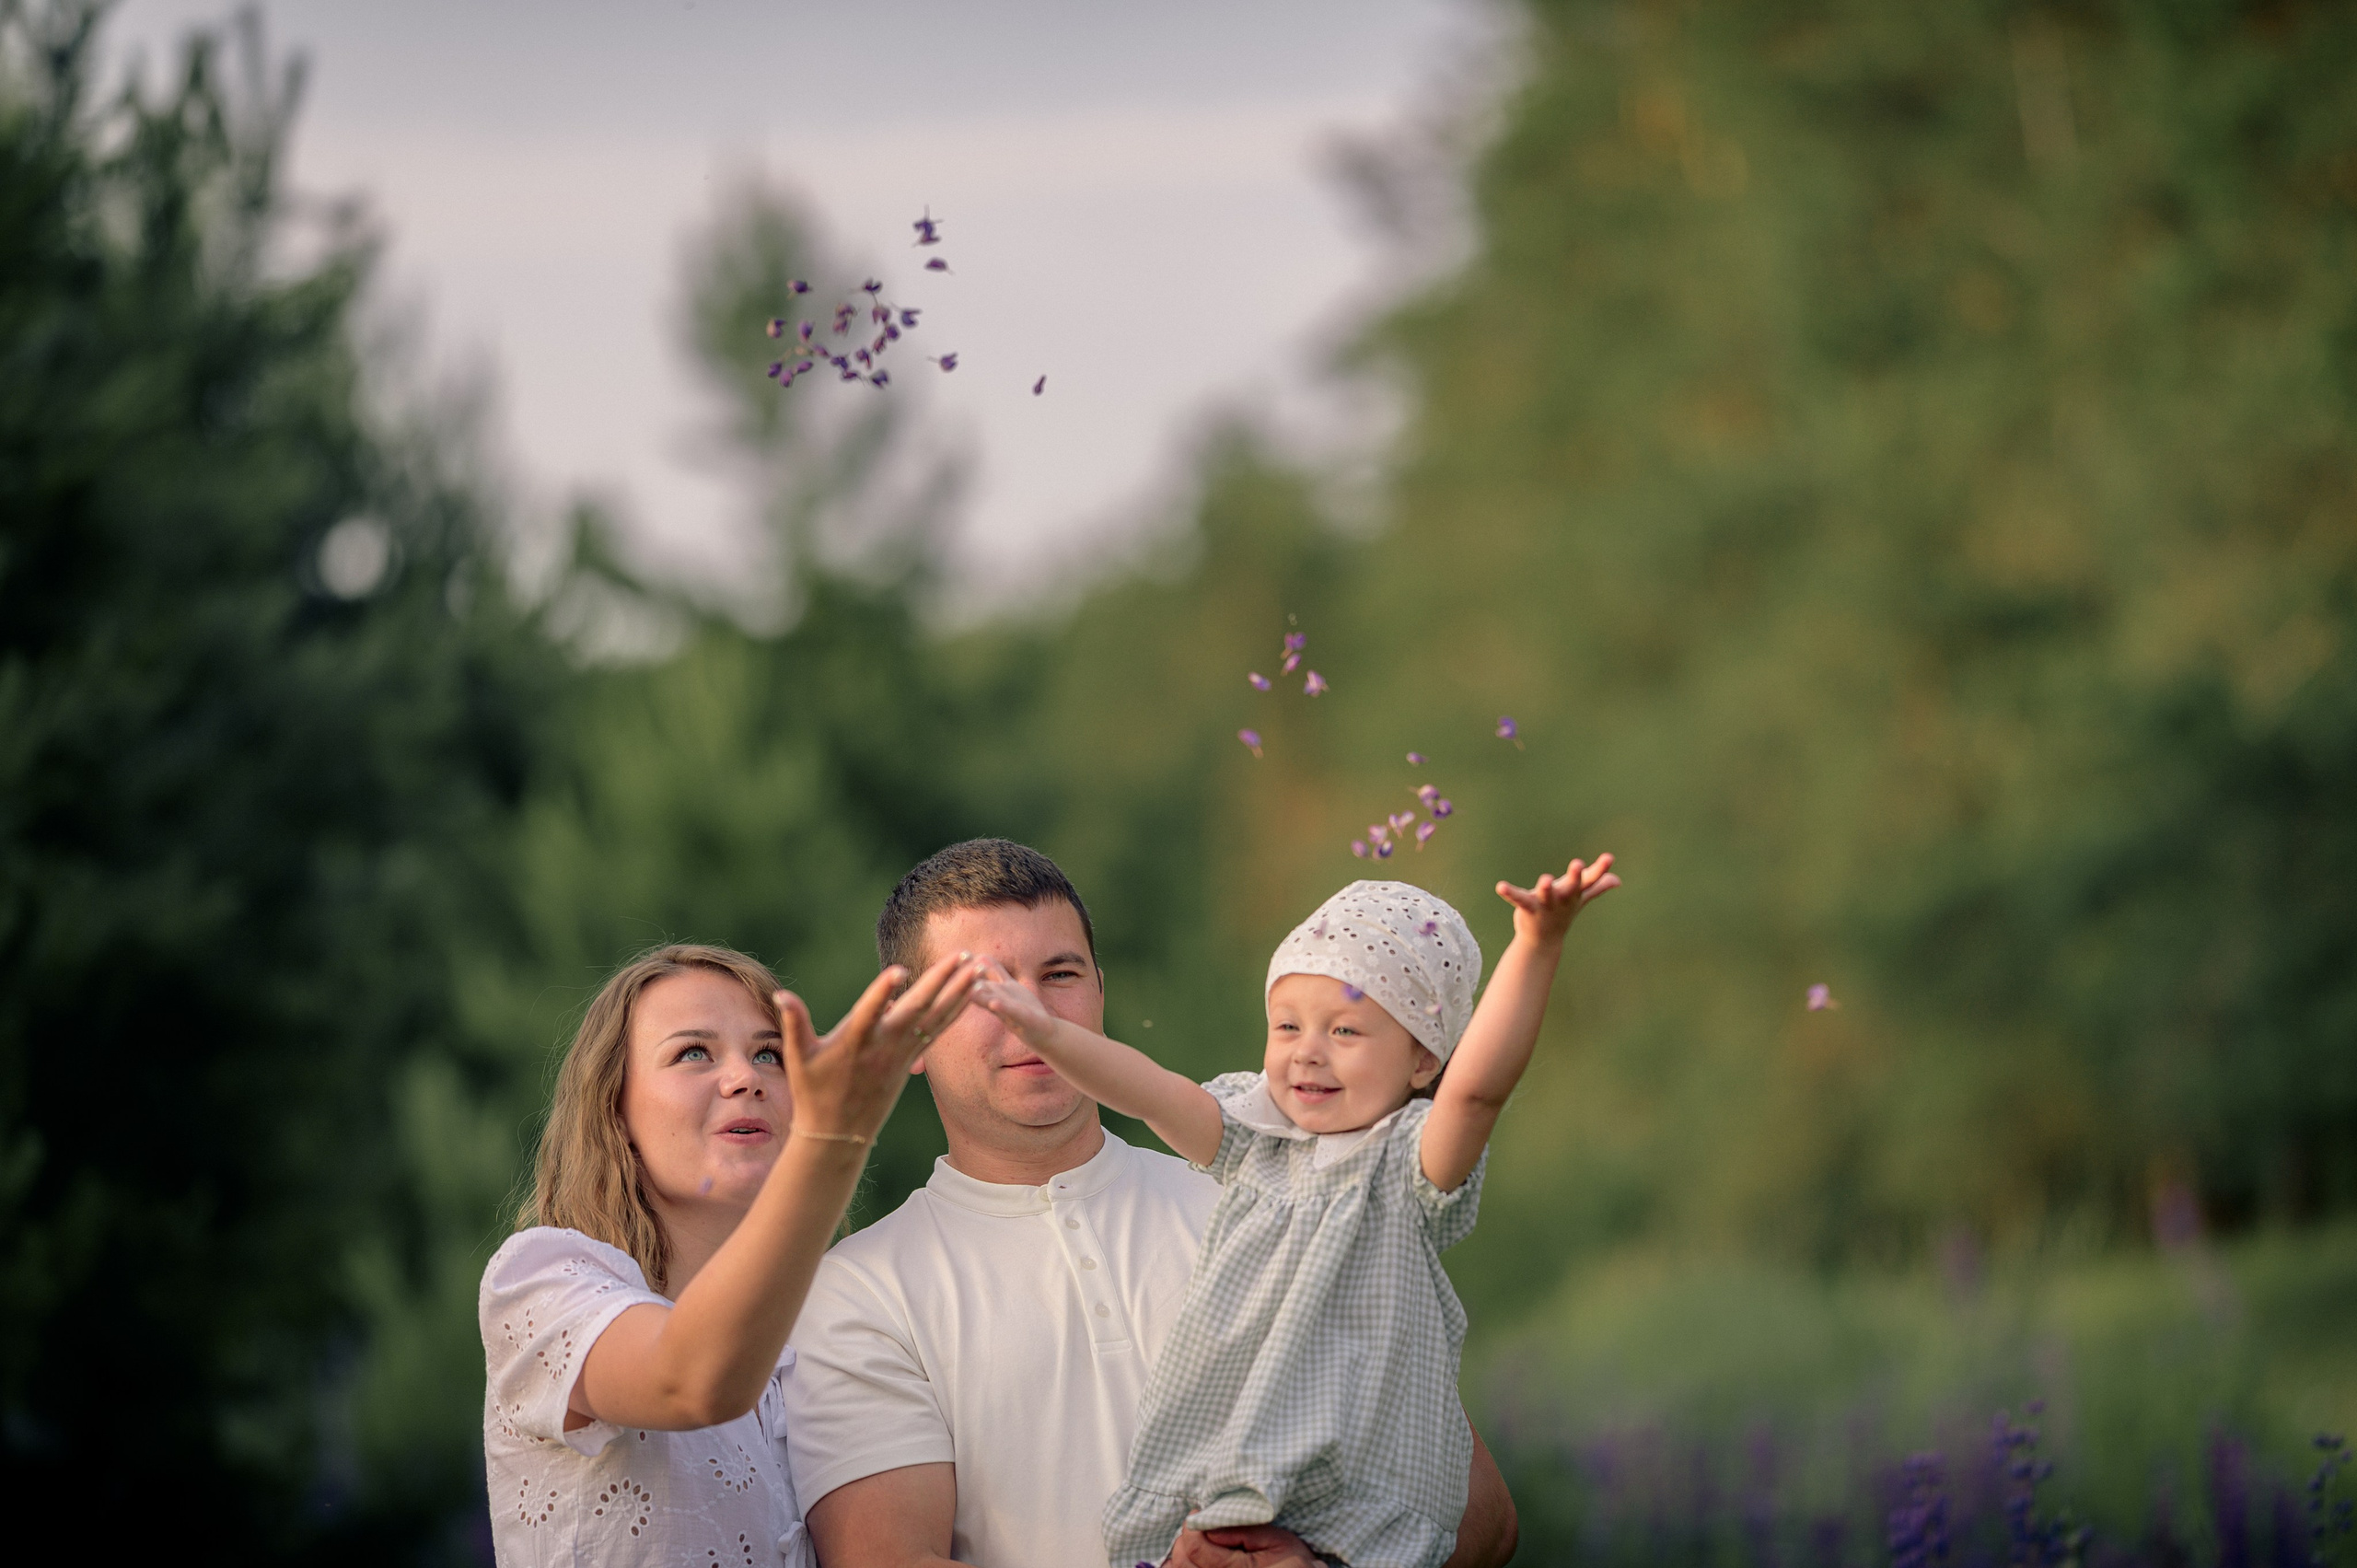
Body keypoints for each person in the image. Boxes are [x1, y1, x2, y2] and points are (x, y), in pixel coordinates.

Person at [784, 841, 1524, 1568]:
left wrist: (1324, 1561)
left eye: (1060, 973)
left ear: (1100, 992)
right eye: (981, 987)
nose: (1028, 1009)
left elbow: (1482, 1518)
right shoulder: (859, 1292)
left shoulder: (1271, 1195)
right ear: (908, 1027)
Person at [971, 866, 1617, 1568]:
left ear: (1423, 1057)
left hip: (1349, 1504)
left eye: (1345, 1029)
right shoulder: (1252, 1140)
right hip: (1223, 1491)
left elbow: (1478, 1092)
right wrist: (1047, 1032)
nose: (1308, 1049)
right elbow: (1146, 1090)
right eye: (1287, 1026)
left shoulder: (1404, 1165)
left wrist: (1537, 945)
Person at [479, 941, 981, 1568]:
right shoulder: (542, 1280)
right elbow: (693, 1380)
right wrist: (835, 1139)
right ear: (615, 1107)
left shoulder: (842, 1329)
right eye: (694, 1052)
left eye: (770, 1054)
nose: (745, 1077)